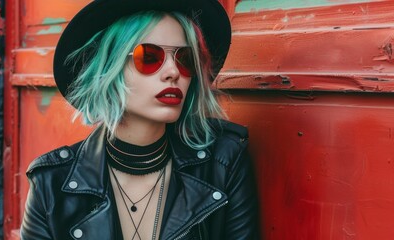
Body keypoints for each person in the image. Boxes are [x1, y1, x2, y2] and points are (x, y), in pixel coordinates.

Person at [20, 0, 259, 239]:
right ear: (109, 69)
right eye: (149, 57)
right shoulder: (51, 184)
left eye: (184, 59)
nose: (173, 72)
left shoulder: (223, 163)